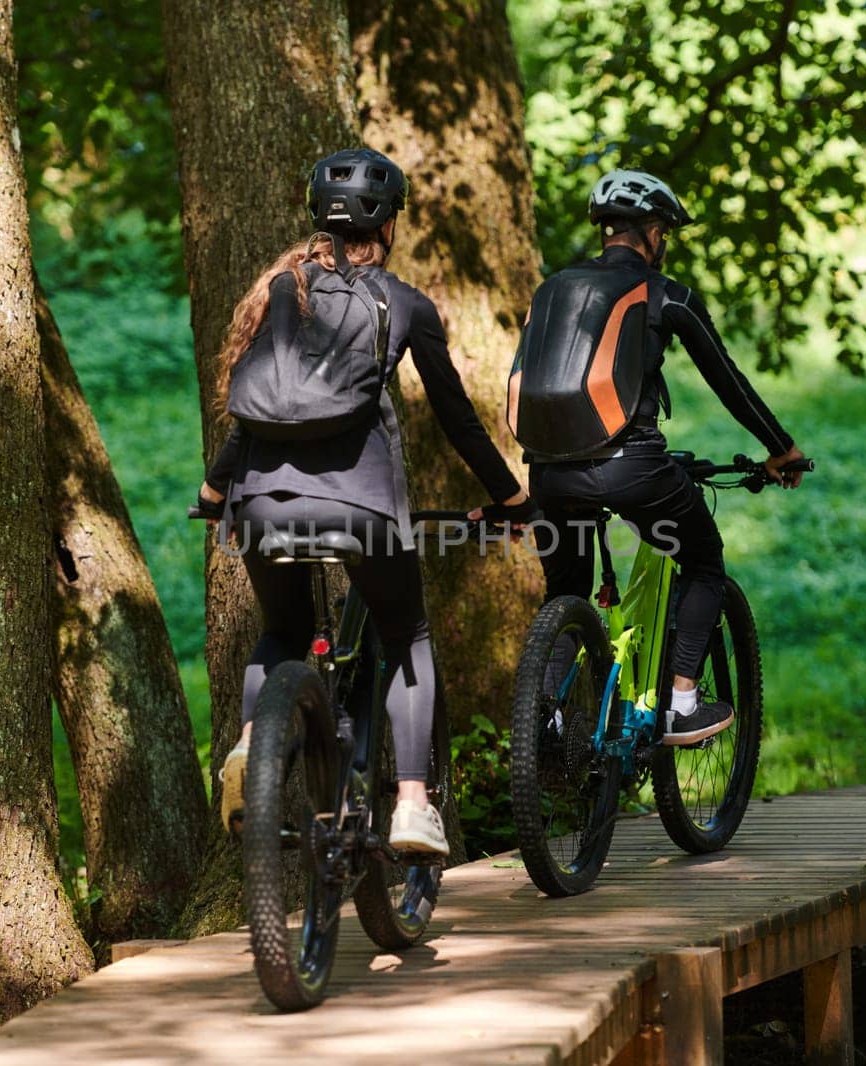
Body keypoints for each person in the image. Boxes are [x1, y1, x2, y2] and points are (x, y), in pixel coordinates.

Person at [198, 147, 536, 855]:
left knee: (284, 631)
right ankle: (412, 804)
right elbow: (456, 418)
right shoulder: (405, 303)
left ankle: (251, 745)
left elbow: (258, 409)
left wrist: (215, 488)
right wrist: (510, 496)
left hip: (260, 504)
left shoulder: (276, 291)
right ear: (387, 226)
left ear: (318, 214)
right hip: (364, 509)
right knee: (406, 635)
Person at [511, 169, 807, 744]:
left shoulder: (552, 289)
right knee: (703, 559)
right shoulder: (665, 293)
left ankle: (546, 723)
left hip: (547, 472)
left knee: (566, 594)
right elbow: (728, 381)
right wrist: (781, 449)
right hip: (632, 468)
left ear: (605, 231)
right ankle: (681, 704)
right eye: (663, 232)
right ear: (651, 233)